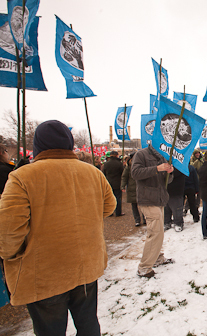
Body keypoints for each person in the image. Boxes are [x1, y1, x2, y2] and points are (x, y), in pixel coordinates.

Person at [0, 120, 117, 335]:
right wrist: (84, 216)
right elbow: (109, 207)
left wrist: (11, 255)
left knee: (50, 330)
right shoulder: (93, 173)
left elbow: (8, 231)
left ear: (38, 145)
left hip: (44, 272)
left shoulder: (21, 176)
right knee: (88, 324)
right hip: (86, 265)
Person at [131, 144, 175, 278]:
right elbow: (135, 173)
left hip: (159, 199)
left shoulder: (163, 156)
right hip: (148, 199)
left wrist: (170, 173)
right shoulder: (141, 154)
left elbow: (167, 181)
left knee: (159, 232)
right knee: (155, 233)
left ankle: (157, 257)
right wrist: (157, 168)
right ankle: (144, 267)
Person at [121, 153, 144, 227]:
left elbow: (124, 177)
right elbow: (124, 177)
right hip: (136, 188)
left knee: (139, 205)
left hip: (136, 188)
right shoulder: (130, 167)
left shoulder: (129, 167)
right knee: (140, 205)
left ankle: (140, 220)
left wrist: (123, 186)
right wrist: (122, 186)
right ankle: (140, 219)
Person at [103, 150, 125, 216]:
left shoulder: (106, 164)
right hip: (118, 182)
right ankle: (118, 212)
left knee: (109, 198)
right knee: (118, 198)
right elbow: (123, 173)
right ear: (117, 155)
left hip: (109, 182)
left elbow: (103, 173)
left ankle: (110, 212)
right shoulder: (119, 164)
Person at [164, 168, 185, 232]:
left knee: (177, 209)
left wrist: (170, 171)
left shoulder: (180, 167)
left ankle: (178, 223)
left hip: (177, 191)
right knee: (166, 209)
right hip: (167, 191)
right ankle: (167, 222)